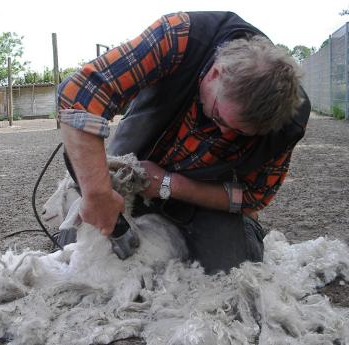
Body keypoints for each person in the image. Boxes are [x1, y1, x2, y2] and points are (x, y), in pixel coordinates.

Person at [57, 11, 311, 274]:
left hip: (202, 196)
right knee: (76, 244)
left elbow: (253, 195)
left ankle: (242, 231)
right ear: (215, 74)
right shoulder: (180, 36)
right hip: (131, 169)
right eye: (219, 117)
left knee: (231, 273)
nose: (224, 135)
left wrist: (170, 184)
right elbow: (80, 91)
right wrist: (97, 193)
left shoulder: (288, 122)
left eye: (240, 133)